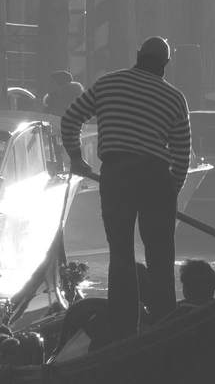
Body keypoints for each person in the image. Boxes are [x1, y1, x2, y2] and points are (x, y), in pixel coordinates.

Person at [62, 36, 193, 339]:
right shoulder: (174, 98)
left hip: (117, 175)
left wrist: (77, 159)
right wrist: (170, 194)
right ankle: (164, 331)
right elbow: (182, 157)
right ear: (166, 66)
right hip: (156, 178)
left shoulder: (109, 84)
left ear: (137, 55)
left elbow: (70, 119)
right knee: (160, 257)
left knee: (120, 254)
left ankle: (124, 331)